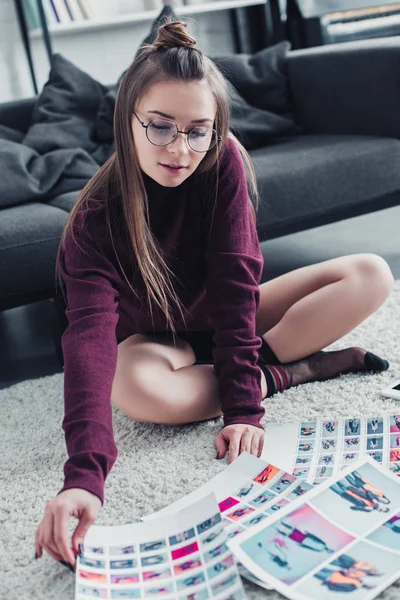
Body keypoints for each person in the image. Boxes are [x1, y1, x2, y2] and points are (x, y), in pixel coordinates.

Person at [33, 17, 394, 570]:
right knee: (133, 391)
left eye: (198, 130)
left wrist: (243, 412)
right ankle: (289, 371)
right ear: (126, 121)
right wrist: (83, 477)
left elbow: (235, 288)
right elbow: (87, 343)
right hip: (156, 340)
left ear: (215, 128)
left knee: (371, 274)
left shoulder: (223, 162)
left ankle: (248, 372)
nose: (180, 148)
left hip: (225, 315)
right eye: (159, 127)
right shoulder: (93, 219)